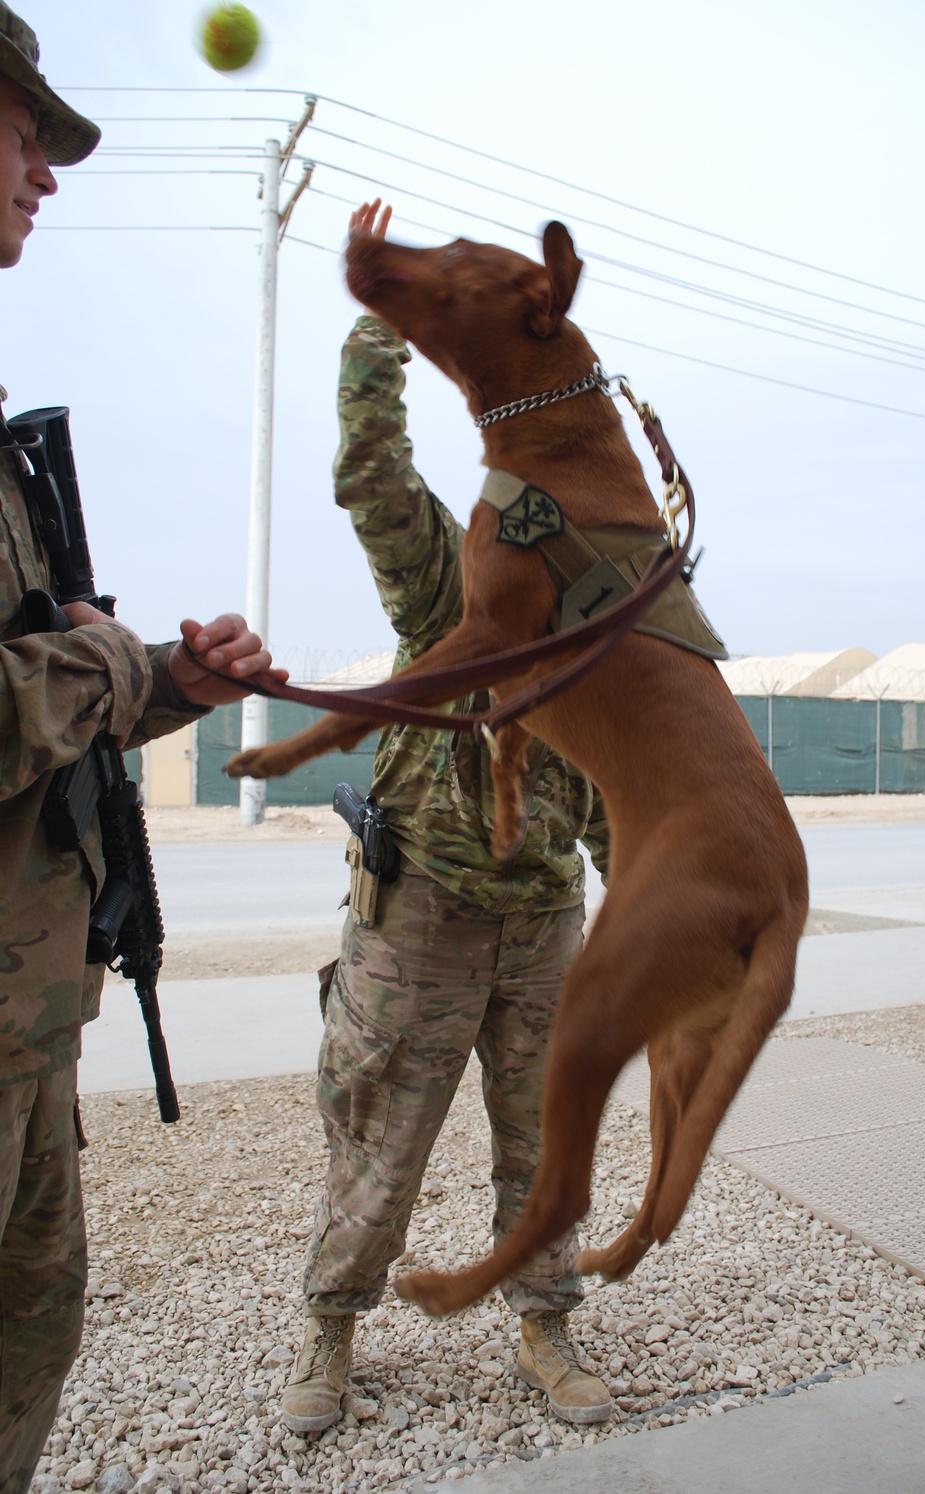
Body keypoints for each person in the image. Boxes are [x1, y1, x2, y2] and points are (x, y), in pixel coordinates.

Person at [0, 10, 281, 1490]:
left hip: (29, 1030)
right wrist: (109, 655)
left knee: (31, 1346)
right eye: (22, 130)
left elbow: (38, 700)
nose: (45, 171)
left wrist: (170, 678)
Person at [281, 200, 615, 1436]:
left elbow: (619, 802)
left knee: (545, 1148)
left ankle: (545, 1326)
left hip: (544, 933)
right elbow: (371, 475)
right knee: (380, 1141)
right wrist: (377, 335)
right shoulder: (445, 580)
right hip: (420, 915)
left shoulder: (594, 621)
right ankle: (327, 1332)